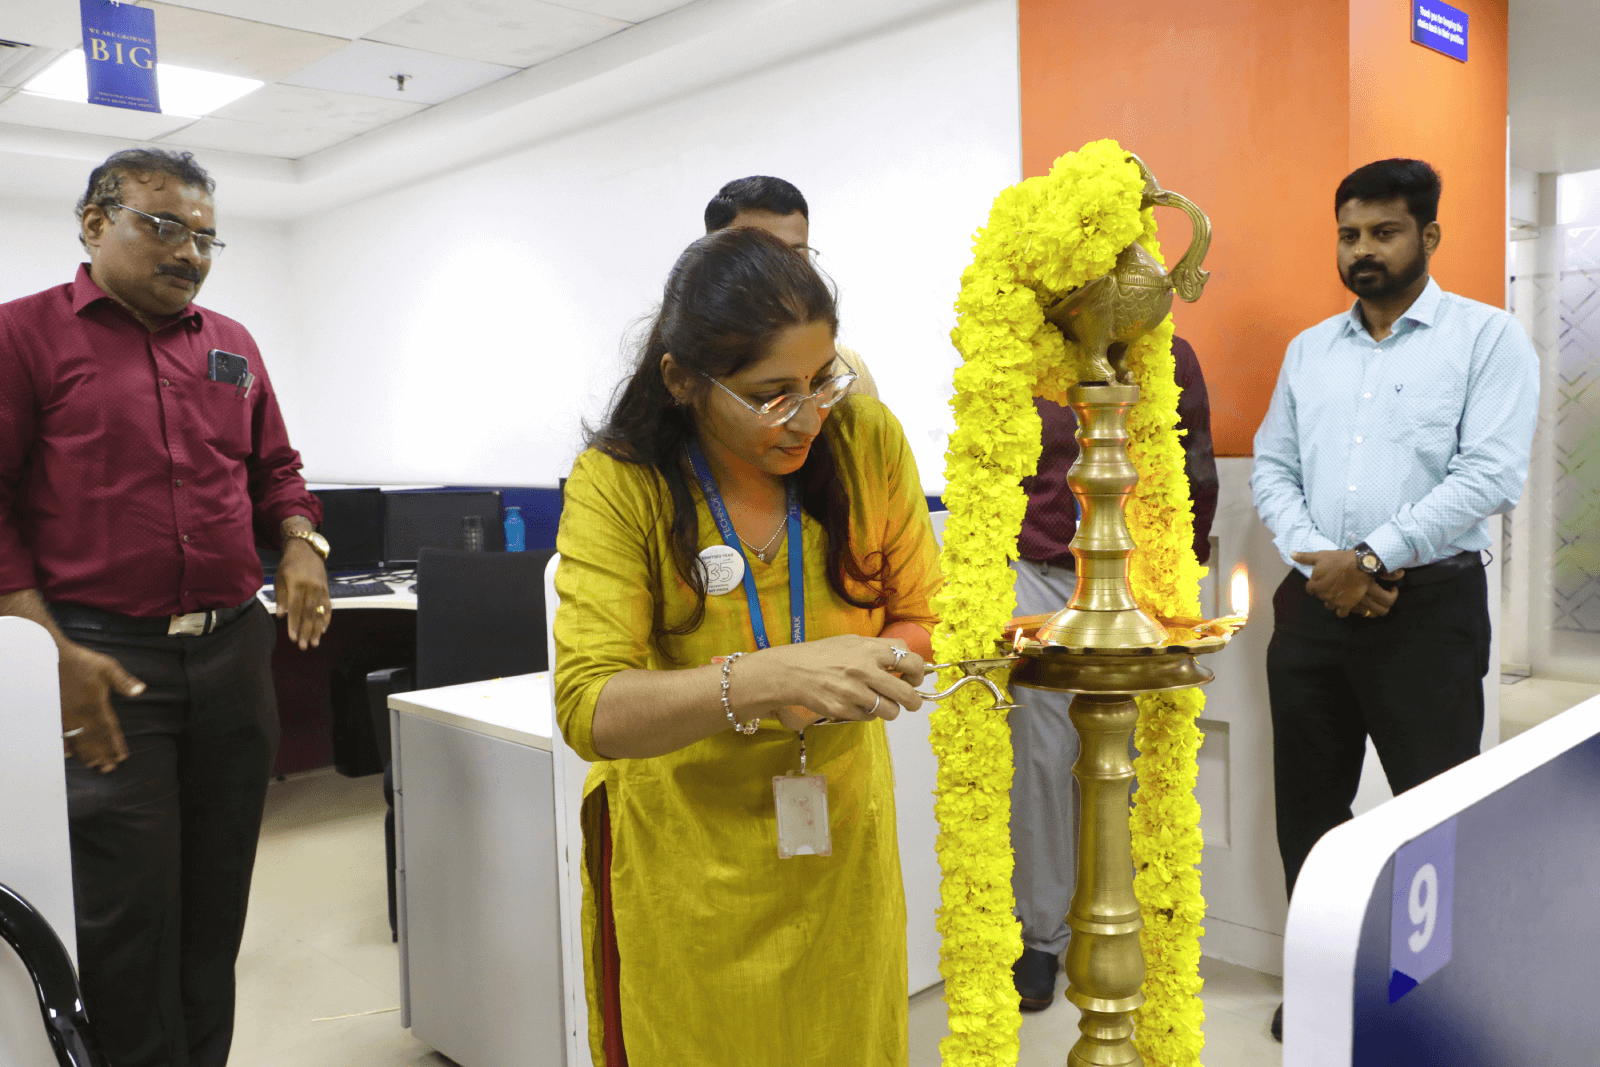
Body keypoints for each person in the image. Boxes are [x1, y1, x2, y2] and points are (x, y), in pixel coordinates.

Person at [553, 226, 940, 1065]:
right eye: (772, 394)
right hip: (690, 861)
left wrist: (881, 664)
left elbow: (922, 612)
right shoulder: (622, 483)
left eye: (821, 380)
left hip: (840, 836)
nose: (807, 415)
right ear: (682, 379)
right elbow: (591, 708)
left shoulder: (865, 439)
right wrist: (763, 678)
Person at [0, 149, 331, 1067]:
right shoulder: (21, 337)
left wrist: (302, 540)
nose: (190, 251)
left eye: (205, 235)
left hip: (233, 652)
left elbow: (277, 471)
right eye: (165, 226)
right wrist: (44, 648)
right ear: (94, 223)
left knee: (216, 897)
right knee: (130, 912)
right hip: (103, 660)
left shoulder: (231, 342)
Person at [1251, 158, 1538, 1041]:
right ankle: (1326, 980)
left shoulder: (1487, 339)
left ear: (1429, 236)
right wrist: (1325, 562)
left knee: (1432, 810)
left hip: (1429, 614)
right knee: (1308, 811)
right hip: (1312, 610)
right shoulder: (1309, 350)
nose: (1363, 249)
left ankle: (1430, 993)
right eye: (1349, 233)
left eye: (1384, 231)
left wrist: (1371, 555)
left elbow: (1489, 472)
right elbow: (1272, 465)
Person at [1009, 339, 1218, 1011]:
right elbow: (995, 466)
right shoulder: (1020, 346)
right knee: (1042, 760)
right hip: (1040, 575)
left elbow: (1197, 472)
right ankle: (1042, 937)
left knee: (1123, 757)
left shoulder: (1168, 354)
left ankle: (1120, 921)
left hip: (1134, 590)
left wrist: (1174, 582)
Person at [704, 174, 881, 400]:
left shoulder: (846, 371)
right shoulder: (694, 375)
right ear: (713, 261)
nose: (783, 273)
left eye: (796, 255)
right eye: (759, 256)